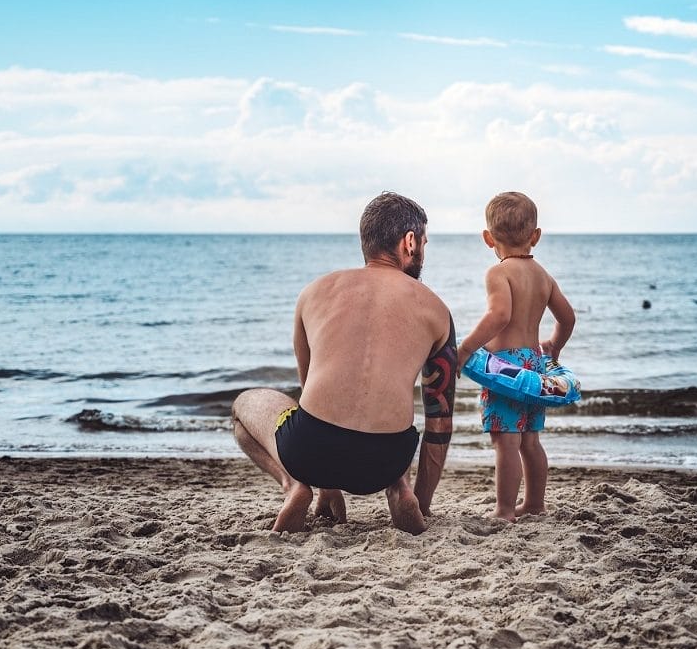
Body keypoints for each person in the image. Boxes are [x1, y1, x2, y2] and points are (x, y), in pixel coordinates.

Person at [231, 192, 457, 535]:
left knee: (243, 406)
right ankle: (401, 491)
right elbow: (439, 422)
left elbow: (310, 391)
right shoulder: (436, 310)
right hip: (386, 462)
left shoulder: (315, 291)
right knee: (396, 412)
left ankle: (295, 486)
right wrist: (422, 503)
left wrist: (327, 485)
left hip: (311, 451)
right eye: (424, 243)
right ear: (409, 242)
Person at [457, 192, 575, 521]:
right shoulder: (543, 276)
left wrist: (465, 349)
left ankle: (505, 510)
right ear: (535, 236)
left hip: (505, 369)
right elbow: (568, 318)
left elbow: (499, 316)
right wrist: (553, 345)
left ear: (488, 238)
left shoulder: (498, 273)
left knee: (505, 440)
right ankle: (535, 504)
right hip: (534, 367)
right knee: (530, 440)